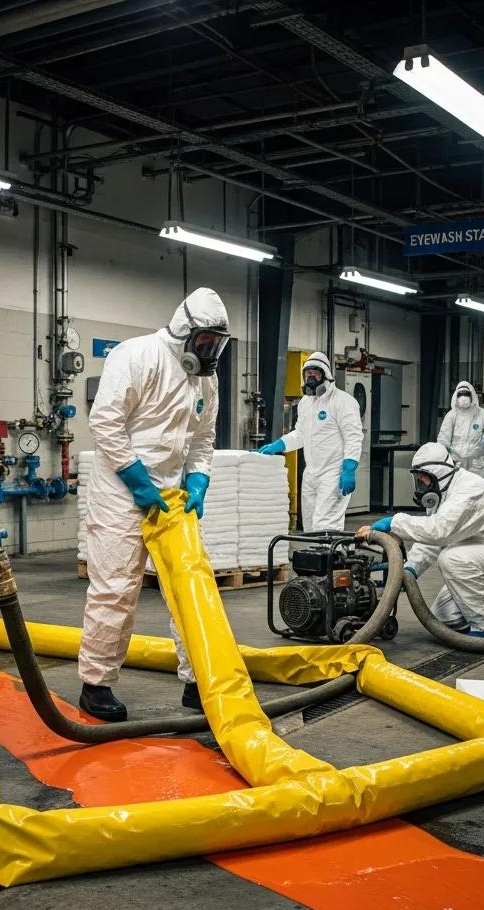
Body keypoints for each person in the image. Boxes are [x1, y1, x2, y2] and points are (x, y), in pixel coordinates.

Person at [79, 287, 230, 722]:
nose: (209, 352)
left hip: (170, 494)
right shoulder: (136, 355)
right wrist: (136, 480)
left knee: (189, 586)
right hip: (120, 492)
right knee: (116, 587)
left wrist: (198, 479)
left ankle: (195, 681)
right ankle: (97, 684)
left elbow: (202, 439)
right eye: (204, 343)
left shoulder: (207, 378)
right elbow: (105, 422)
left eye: (217, 345)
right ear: (185, 332)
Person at [356, 441, 484, 637]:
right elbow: (432, 540)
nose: (421, 484)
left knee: (452, 558)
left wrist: (394, 522)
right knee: (444, 617)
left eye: (423, 478)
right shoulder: (444, 494)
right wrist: (409, 569)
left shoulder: (469, 491)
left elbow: (439, 531)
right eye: (418, 479)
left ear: (437, 473)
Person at [256, 352, 364, 531]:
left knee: (325, 525)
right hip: (311, 474)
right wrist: (278, 445)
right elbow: (300, 434)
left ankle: (335, 558)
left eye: (316, 372)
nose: (311, 376)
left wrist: (349, 469)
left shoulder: (344, 402)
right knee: (310, 526)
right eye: (308, 373)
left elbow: (353, 437)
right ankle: (322, 558)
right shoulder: (306, 403)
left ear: (326, 375)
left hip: (334, 473)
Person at [437, 380, 484, 480]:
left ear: (472, 395)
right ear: (456, 396)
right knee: (457, 491)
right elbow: (443, 437)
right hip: (456, 462)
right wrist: (444, 448)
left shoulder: (482, 414)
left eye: (466, 394)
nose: (464, 397)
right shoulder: (451, 415)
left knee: (477, 492)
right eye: (461, 394)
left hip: (477, 463)